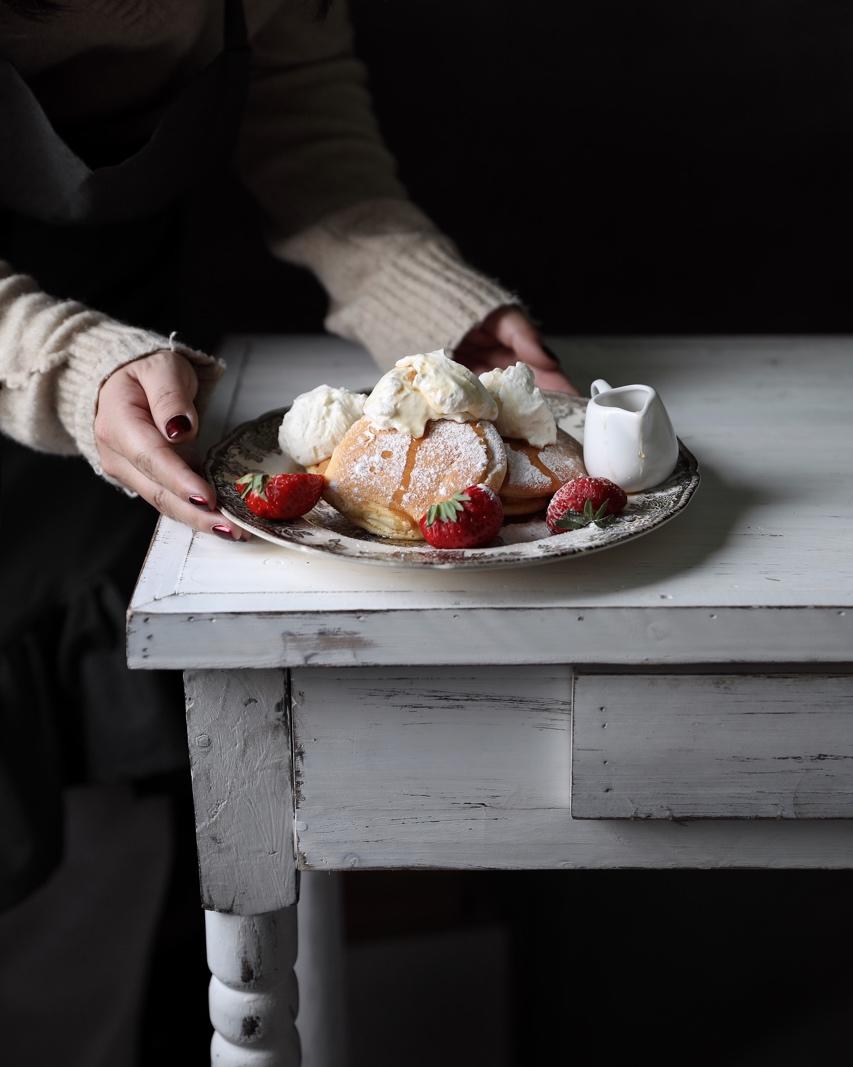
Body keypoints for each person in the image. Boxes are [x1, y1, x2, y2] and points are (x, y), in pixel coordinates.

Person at [0, 0, 576, 1062]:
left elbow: (307, 127)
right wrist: (68, 361)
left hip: (125, 450)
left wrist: (437, 319)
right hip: (63, 372)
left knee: (79, 931)